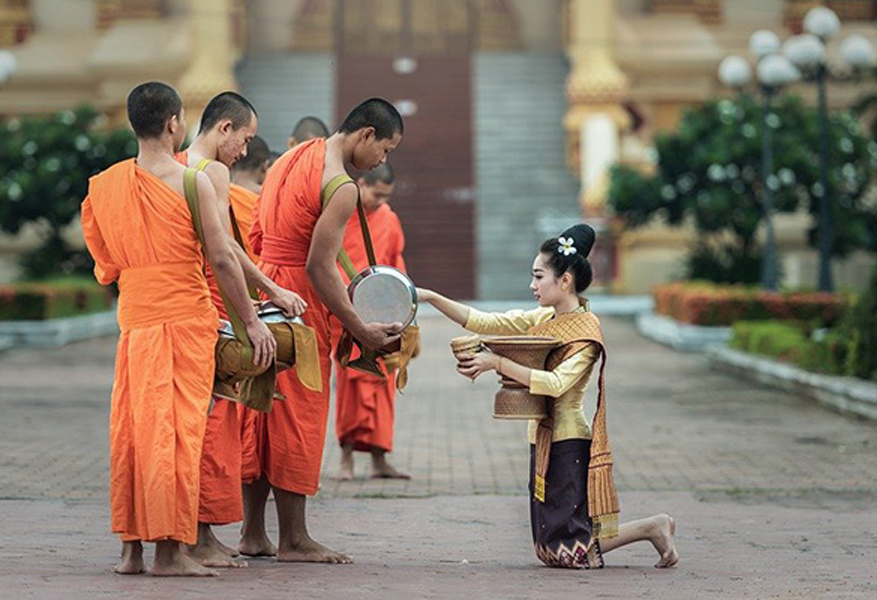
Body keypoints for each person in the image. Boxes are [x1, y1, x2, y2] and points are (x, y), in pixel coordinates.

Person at [81, 81, 275, 577]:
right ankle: (169, 551)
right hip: (186, 320)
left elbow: (105, 265)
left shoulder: (103, 186)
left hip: (135, 323)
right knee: (176, 435)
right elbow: (223, 258)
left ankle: (132, 550)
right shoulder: (193, 182)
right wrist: (251, 322)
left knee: (132, 431)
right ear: (174, 124)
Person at [417, 224, 678, 570]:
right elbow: (485, 320)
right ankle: (652, 527)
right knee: (550, 547)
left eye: (539, 276)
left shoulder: (586, 332)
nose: (532, 285)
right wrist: (431, 297)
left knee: (568, 549)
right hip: (543, 437)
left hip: (568, 440)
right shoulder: (544, 317)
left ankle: (652, 526)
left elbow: (555, 384)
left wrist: (496, 362)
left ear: (565, 280)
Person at [241, 98, 404, 564]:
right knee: (297, 415)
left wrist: (263, 285)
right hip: (297, 299)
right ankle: (294, 539)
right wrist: (361, 329)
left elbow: (255, 232)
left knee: (262, 410)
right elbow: (318, 266)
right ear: (366, 134)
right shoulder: (341, 185)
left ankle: (253, 533)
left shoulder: (293, 156)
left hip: (266, 287)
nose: (382, 162)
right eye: (386, 150)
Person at [176, 92, 306, 569]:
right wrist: (262, 305)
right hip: (210, 306)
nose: (246, 150)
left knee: (195, 423)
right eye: (245, 138)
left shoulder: (173, 166)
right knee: (213, 425)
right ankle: (200, 536)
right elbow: (226, 252)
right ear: (224, 128)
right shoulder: (211, 172)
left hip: (181, 306)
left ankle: (193, 532)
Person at [331, 163, 410, 481]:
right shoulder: (340, 213)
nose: (379, 201)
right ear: (360, 183)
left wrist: (402, 306)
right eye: (376, 194)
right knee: (350, 387)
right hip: (349, 311)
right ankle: (346, 459)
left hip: (384, 311)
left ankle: (380, 459)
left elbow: (396, 261)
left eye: (385, 196)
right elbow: (328, 259)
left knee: (384, 385)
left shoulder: (389, 218)